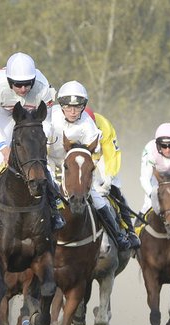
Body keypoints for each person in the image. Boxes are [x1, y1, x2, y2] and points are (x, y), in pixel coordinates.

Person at [0, 52, 65, 235]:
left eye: (28, 84)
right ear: (9, 81)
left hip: (32, 119)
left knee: (38, 161)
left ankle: (54, 209)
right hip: (3, 115)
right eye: (18, 84)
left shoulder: (43, 87)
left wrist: (39, 142)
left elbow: (47, 122)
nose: (24, 88)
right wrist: (3, 148)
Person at [46, 81, 137, 250]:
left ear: (84, 106)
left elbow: (92, 158)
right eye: (68, 106)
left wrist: (102, 179)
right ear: (61, 105)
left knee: (98, 198)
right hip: (49, 160)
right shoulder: (50, 117)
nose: (73, 111)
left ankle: (119, 235)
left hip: (74, 166)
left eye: (78, 107)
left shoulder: (89, 126)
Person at [84, 106, 139, 246]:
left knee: (115, 191)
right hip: (80, 163)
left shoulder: (103, 124)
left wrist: (108, 178)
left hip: (101, 160)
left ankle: (130, 232)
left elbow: (111, 154)